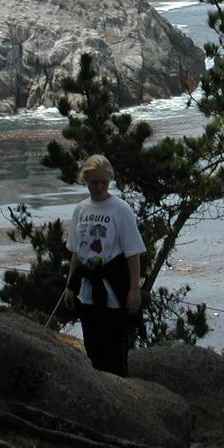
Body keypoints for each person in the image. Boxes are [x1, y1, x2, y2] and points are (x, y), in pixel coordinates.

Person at [62, 154, 145, 376]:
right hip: (88, 290)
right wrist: (70, 285)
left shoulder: (120, 209)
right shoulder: (81, 210)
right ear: (85, 180)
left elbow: (133, 252)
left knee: (115, 351)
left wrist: (134, 289)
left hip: (113, 289)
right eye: (94, 182)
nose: (99, 187)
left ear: (110, 180)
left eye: (103, 183)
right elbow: (77, 251)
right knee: (93, 348)